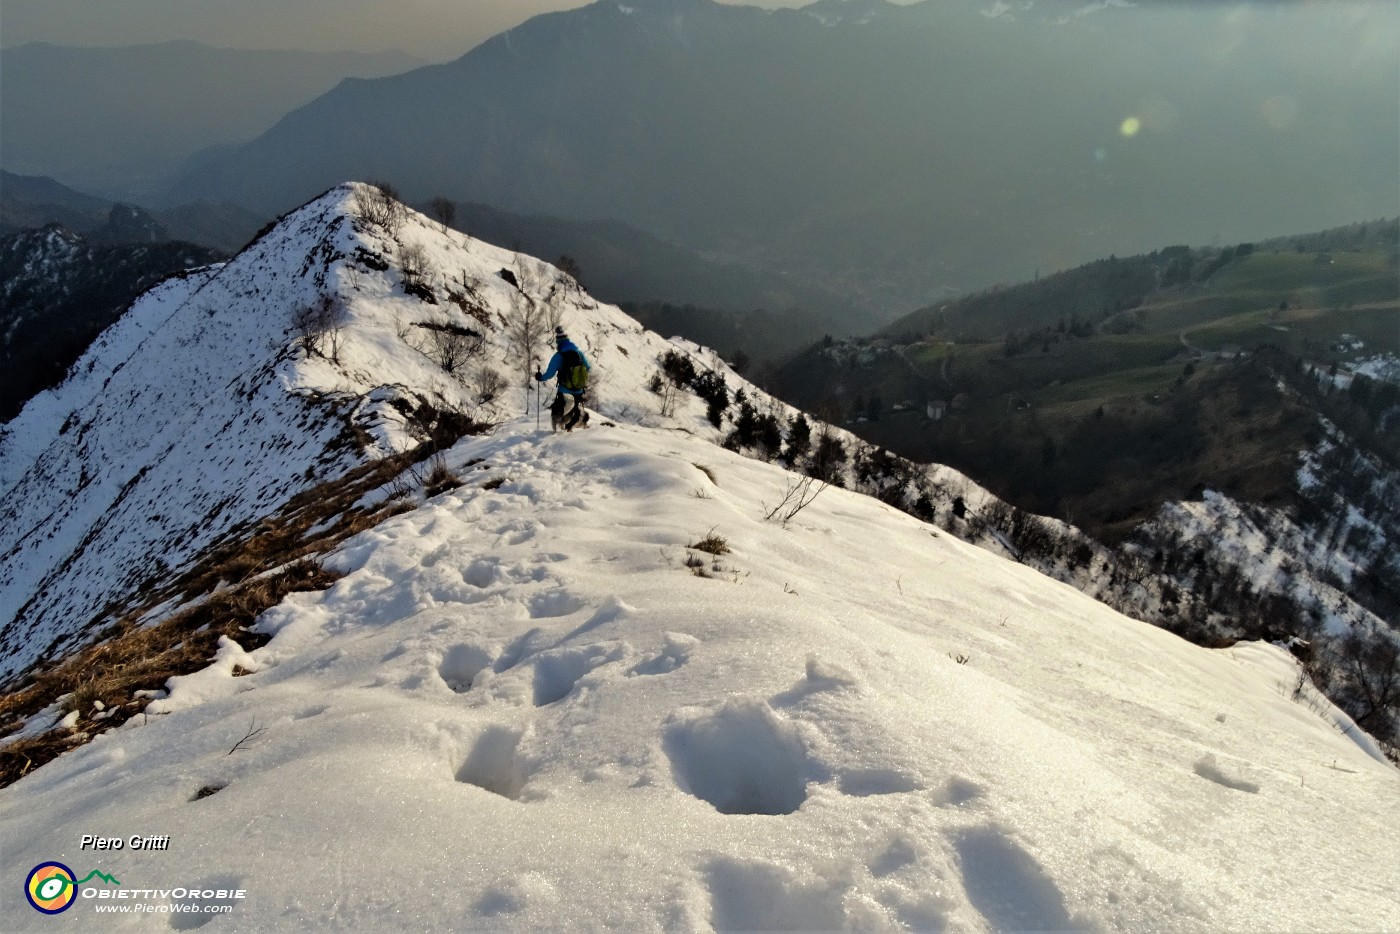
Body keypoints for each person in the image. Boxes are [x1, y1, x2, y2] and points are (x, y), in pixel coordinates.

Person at [535, 326, 591, 431]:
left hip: (564, 389)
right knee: (575, 409)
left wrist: (540, 378)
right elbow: (588, 367)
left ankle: (559, 426)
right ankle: (569, 429)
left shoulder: (559, 356)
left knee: (561, 408)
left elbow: (550, 373)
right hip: (578, 389)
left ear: (558, 343)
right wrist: (577, 378)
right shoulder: (579, 353)